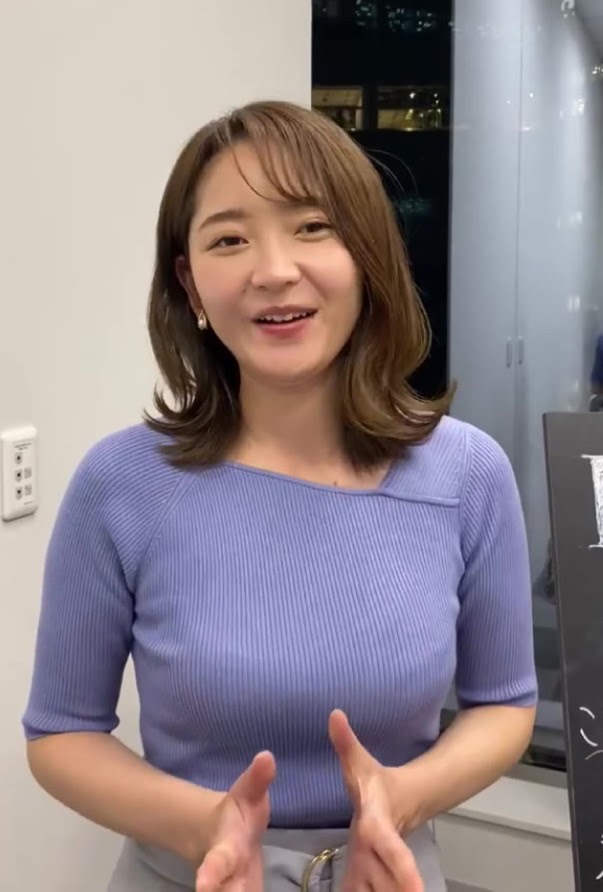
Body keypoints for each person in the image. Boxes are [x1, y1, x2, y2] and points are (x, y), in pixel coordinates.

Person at [22, 100, 537, 891]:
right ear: (191, 285)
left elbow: (504, 704)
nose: (272, 270)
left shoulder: (467, 475)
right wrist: (205, 825)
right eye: (228, 239)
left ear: (366, 255)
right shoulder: (120, 484)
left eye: (312, 227)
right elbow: (61, 735)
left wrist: (401, 798)